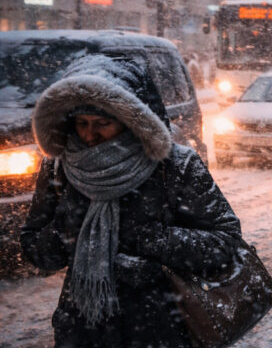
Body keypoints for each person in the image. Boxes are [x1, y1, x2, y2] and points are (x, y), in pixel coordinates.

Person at [21, 54, 242, 347]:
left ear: (129, 120)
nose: (90, 135)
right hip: (83, 329)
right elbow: (37, 252)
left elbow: (225, 241)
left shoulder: (174, 165)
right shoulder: (60, 167)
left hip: (162, 325)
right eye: (82, 123)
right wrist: (66, 229)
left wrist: (156, 240)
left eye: (102, 122)